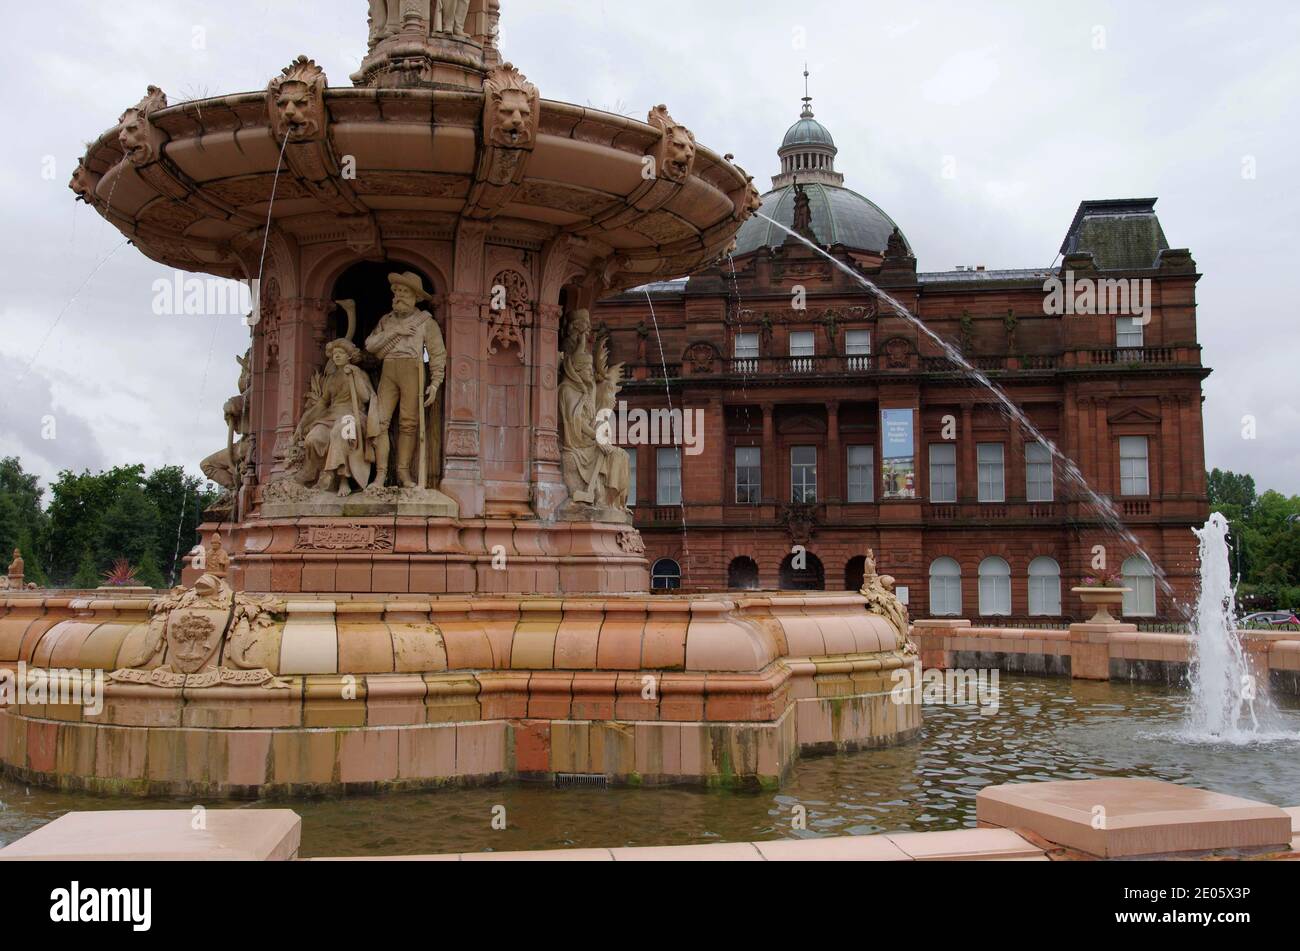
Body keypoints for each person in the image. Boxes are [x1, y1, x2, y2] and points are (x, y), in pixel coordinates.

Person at [365, 272, 446, 489]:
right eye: (397, 291)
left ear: (415, 297)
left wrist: (436, 382)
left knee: (408, 424)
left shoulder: (425, 322)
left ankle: (403, 473)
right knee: (380, 423)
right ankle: (380, 476)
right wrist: (396, 331)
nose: (399, 296)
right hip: (389, 369)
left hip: (414, 368)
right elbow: (370, 345)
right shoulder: (387, 321)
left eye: (404, 292)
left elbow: (436, 353)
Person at [295, 338, 377, 496]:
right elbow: (322, 404)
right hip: (331, 416)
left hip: (353, 415)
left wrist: (355, 374)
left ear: (349, 356)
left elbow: (366, 397)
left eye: (341, 353)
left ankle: (342, 480)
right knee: (313, 438)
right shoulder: (331, 379)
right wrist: (303, 422)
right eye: (334, 354)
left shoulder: (359, 373)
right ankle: (319, 474)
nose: (337, 356)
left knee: (339, 432)